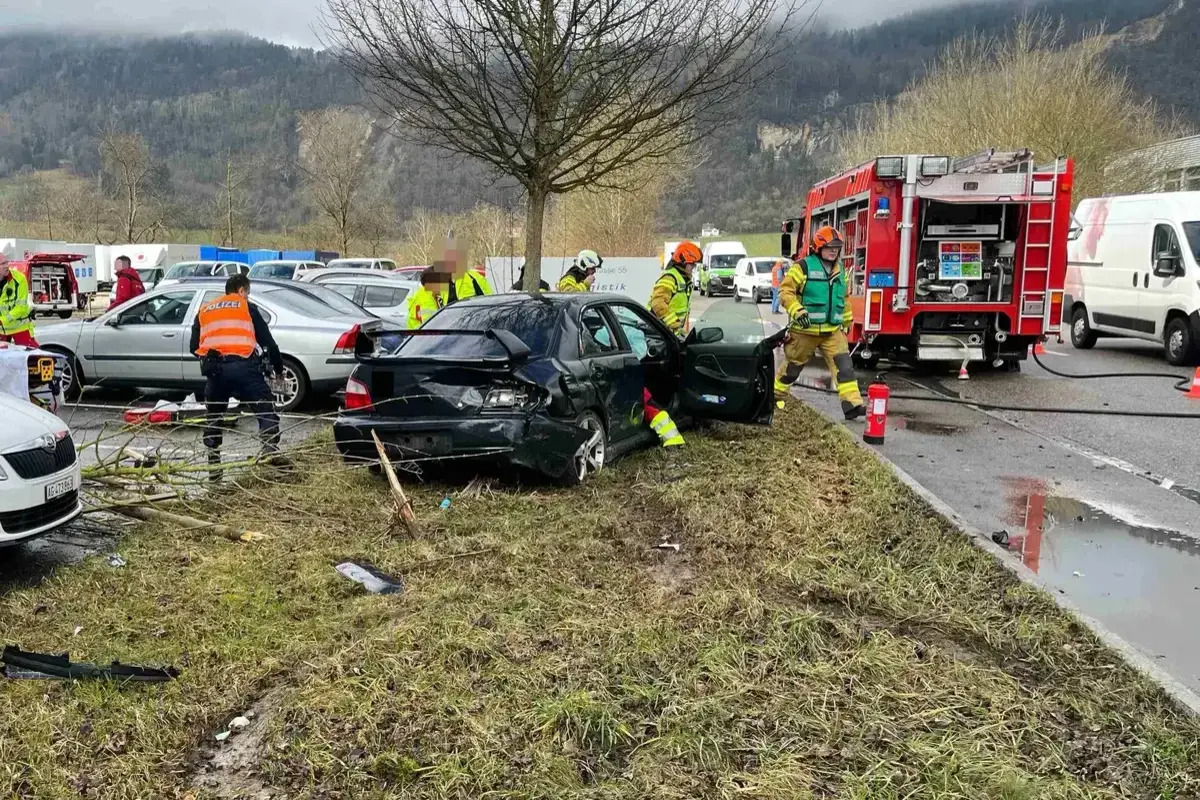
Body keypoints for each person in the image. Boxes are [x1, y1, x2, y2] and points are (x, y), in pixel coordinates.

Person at [189, 273, 283, 468]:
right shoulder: (247, 308)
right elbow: (269, 343)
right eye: (247, 293)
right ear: (241, 291)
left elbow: (193, 347)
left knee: (214, 416)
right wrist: (279, 370)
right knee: (265, 409)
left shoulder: (205, 310)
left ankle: (213, 461)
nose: (247, 297)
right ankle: (269, 454)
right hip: (245, 368)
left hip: (215, 371)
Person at [774, 226, 865, 420]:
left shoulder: (840, 270)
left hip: (832, 331)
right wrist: (797, 310)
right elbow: (785, 292)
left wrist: (847, 320)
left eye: (837, 247)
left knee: (844, 367)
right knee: (792, 368)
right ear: (818, 247)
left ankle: (852, 404)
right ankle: (775, 398)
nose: (833, 251)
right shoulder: (802, 267)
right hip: (805, 331)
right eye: (829, 247)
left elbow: (844, 298)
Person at [638, 241, 703, 448]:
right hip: (659, 334)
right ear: (683, 263)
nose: (693, 269)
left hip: (671, 334)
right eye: (692, 265)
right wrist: (673, 325)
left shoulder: (684, 279)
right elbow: (658, 304)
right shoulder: (670, 278)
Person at [0, 253, 36, 347]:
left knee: (31, 355)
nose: (6, 266)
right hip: (1, 330)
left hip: (20, 327)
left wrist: (2, 320)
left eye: (6, 262)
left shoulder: (19, 279)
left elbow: (21, 308)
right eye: (2, 264)